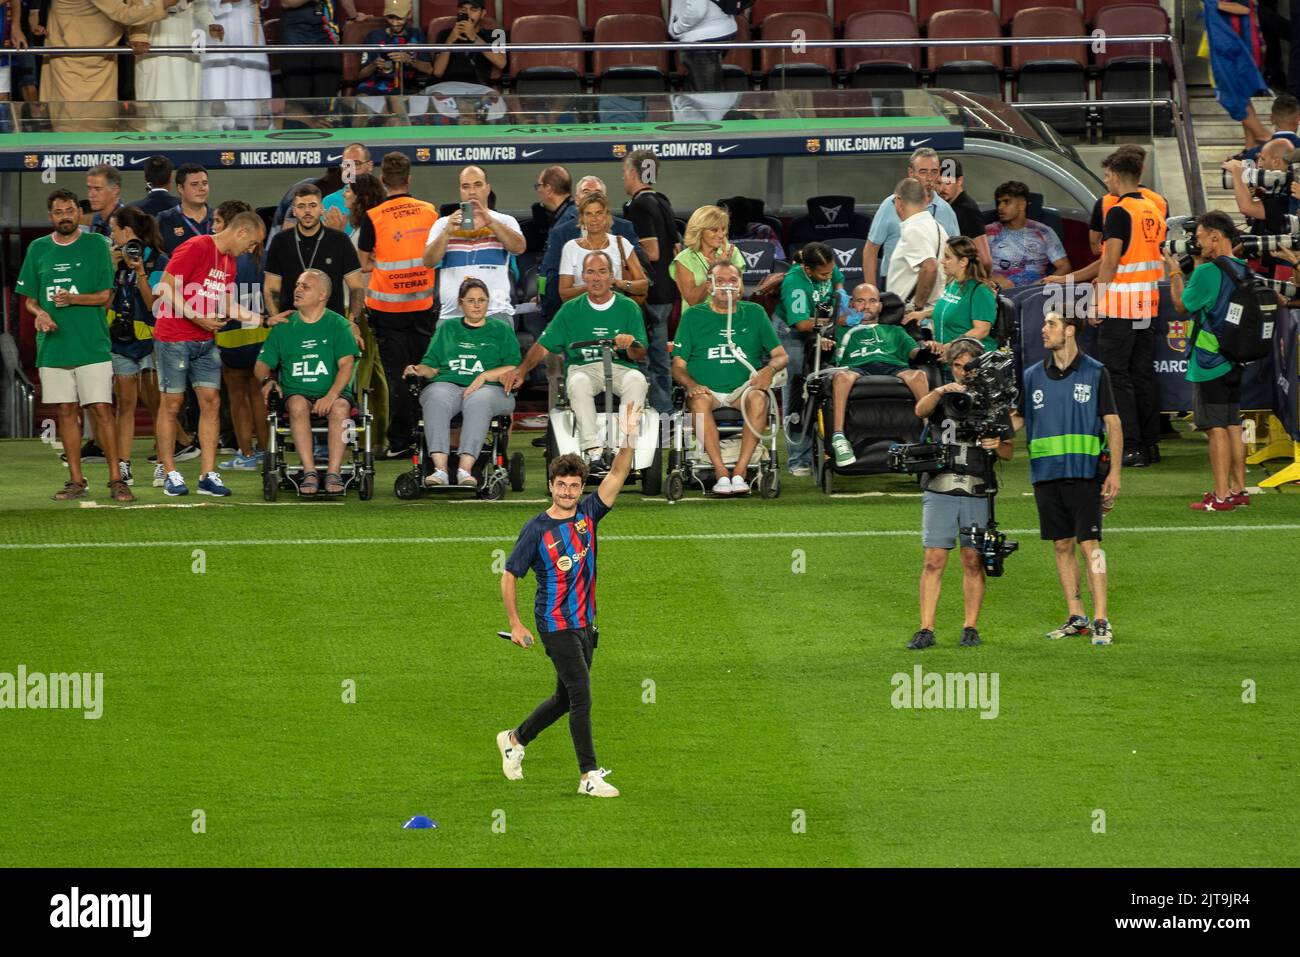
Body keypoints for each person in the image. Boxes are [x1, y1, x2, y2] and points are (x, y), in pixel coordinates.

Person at [497, 400, 644, 800]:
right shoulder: (536, 530)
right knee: (581, 695)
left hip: (585, 624)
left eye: (574, 486)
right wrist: (515, 623)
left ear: (581, 488)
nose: (567, 491)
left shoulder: (589, 515)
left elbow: (619, 472)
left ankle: (514, 739)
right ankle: (588, 775)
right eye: (561, 485)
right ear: (551, 486)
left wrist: (628, 435)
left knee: (564, 698)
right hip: (554, 624)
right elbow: (509, 574)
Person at [1013, 312, 1122, 645]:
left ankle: (1102, 618)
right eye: (1044, 323)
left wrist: (1115, 473)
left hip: (1085, 474)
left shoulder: (1095, 372)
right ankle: (1077, 616)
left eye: (1051, 324)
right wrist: (991, 435)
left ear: (1070, 331)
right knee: (1062, 545)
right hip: (1046, 475)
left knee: (1091, 546)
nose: (1043, 330)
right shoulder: (1032, 376)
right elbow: (1017, 420)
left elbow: (1113, 424)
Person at [17, 188, 132, 502]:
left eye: (70, 210)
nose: (65, 216)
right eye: (58, 212)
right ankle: (76, 479)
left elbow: (105, 296)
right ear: (51, 215)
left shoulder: (97, 245)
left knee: (101, 410)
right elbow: (29, 300)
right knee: (66, 411)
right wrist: (40, 314)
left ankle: (117, 479)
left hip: (92, 344)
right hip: (53, 346)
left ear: (78, 213)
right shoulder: (38, 249)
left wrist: (72, 299)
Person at [908, 338, 1015, 650]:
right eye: (957, 366)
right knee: (934, 559)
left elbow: (1008, 451)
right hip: (940, 486)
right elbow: (920, 410)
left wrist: (997, 445)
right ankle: (926, 627)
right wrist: (943, 390)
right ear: (950, 367)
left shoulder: (991, 400)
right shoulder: (943, 396)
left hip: (977, 486)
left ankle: (971, 626)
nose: (963, 373)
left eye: (969, 367)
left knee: (972, 559)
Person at [152, 209, 266, 496]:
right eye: (252, 243)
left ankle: (207, 474)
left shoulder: (229, 262)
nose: (251, 250)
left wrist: (264, 320)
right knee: (172, 404)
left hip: (205, 340)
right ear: (241, 232)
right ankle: (170, 473)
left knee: (212, 402)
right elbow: (163, 288)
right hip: (174, 338)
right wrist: (196, 317)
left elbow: (227, 304)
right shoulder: (197, 246)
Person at [507, 252, 649, 469]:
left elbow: (640, 353)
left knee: (637, 381)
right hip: (584, 367)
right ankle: (594, 452)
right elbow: (544, 345)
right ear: (583, 276)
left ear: (612, 276)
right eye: (590, 272)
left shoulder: (628, 307)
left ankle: (625, 447)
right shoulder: (571, 309)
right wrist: (521, 370)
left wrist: (630, 344)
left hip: (621, 367)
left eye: (602, 272)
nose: (596, 278)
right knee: (578, 383)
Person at [671, 260, 788, 495]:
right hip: (707, 391)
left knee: (758, 397)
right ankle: (721, 472)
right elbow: (677, 366)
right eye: (721, 281)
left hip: (742, 390)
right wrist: (692, 385)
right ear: (710, 286)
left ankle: (741, 471)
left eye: (733, 280)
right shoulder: (693, 316)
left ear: (741, 285)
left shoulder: (754, 313)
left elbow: (781, 356)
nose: (728, 286)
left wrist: (768, 370)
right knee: (699, 400)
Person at [1163, 211, 1252, 511]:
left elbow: (1180, 305)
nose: (1195, 243)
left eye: (1199, 237)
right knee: (1232, 425)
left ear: (1215, 236)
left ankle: (1221, 495)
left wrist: (1174, 272)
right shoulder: (1242, 268)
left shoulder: (1206, 273)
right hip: (1236, 358)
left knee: (1215, 429)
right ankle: (1239, 489)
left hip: (1209, 359)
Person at [358, 151, 440, 458]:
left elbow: (364, 263)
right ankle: (429, 437)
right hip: (423, 306)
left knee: (398, 378)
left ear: (382, 181)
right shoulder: (430, 212)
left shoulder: (374, 216)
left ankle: (401, 440)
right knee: (426, 372)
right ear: (409, 179)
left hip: (386, 309)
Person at [403, 277, 520, 487]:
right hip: (448, 384)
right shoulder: (447, 328)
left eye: (482, 300)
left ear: (488, 302)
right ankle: (440, 470)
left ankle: (465, 469)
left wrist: (484, 376)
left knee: (478, 401)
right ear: (461, 303)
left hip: (491, 389)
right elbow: (432, 367)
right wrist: (418, 369)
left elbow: (514, 367)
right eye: (471, 300)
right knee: (436, 397)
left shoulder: (501, 329)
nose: (477, 305)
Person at [1093, 148, 1167, 468]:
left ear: (1117, 175)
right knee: (1142, 374)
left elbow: (1110, 262)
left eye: (1107, 174)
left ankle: (1131, 446)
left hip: (1121, 305)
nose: (1106, 180)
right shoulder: (1153, 208)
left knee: (1117, 377)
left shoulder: (1119, 212)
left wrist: (1096, 303)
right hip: (1146, 303)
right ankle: (1149, 444)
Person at [255, 269, 360, 496]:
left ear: (322, 295)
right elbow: (262, 364)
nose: (297, 290)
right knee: (297, 404)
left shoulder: (338, 325)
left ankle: (333, 472)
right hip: (297, 393)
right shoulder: (283, 326)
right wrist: (268, 380)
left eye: (305, 286)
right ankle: (309, 471)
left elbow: (346, 365)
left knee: (341, 407)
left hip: (333, 393)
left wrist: (331, 396)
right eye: (297, 285)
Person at [826, 282, 931, 468]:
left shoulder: (895, 330)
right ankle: (839, 436)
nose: (866, 306)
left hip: (892, 366)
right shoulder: (842, 329)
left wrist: (927, 348)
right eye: (861, 301)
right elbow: (827, 338)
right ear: (851, 304)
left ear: (881, 306)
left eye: (873, 301)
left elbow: (914, 352)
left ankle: (928, 433)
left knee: (919, 376)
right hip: (855, 366)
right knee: (841, 377)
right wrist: (823, 341)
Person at [34, 0, 178, 131]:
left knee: (103, 124)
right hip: (69, 61)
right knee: (73, 126)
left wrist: (138, 36)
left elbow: (134, 4)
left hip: (103, 59)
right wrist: (164, 4)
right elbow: (123, 13)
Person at [106, 205, 169, 490]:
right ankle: (124, 465)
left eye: (114, 229)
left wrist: (140, 270)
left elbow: (154, 306)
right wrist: (109, 267)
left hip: (153, 344)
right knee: (125, 406)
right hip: (121, 343)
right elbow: (105, 301)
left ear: (127, 232)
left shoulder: (158, 261)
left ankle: (162, 464)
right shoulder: (113, 262)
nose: (111, 234)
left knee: (158, 407)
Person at [771, 242, 844, 476]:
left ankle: (825, 448)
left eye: (830, 271)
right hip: (792, 334)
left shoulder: (827, 265)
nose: (828, 277)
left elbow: (838, 280)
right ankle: (797, 458)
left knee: (824, 384)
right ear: (807, 270)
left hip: (821, 328)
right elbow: (802, 323)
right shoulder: (795, 283)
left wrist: (839, 294)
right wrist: (837, 320)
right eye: (823, 274)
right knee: (795, 391)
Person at [422, 164, 525, 328]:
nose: (472, 192)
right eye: (466, 186)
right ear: (460, 191)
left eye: (477, 185)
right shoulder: (443, 224)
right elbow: (428, 261)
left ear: (488, 188)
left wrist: (490, 222)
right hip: (452, 316)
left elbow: (519, 248)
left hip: (495, 312)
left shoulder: (505, 221)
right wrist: (447, 233)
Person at [210, 199, 271, 472]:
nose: (214, 227)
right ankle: (267, 453)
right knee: (259, 394)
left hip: (231, 336)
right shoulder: (261, 256)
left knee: (237, 396)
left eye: (218, 222)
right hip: (261, 333)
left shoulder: (224, 256)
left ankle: (246, 454)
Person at [623, 150, 679, 413]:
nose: (623, 178)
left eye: (624, 172)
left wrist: (623, 252)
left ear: (634, 173)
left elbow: (653, 252)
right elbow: (677, 249)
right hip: (668, 291)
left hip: (649, 295)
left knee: (646, 359)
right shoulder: (663, 201)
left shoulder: (639, 205)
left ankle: (656, 416)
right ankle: (664, 415)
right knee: (660, 360)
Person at [265, 184, 365, 326]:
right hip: (291, 324)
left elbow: (357, 287)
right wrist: (276, 319)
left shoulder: (340, 240)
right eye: (301, 206)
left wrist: (353, 321)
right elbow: (271, 288)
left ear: (321, 208)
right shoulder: (280, 242)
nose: (307, 211)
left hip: (332, 325)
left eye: (312, 205)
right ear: (293, 211)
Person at [863, 148, 960, 291]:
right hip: (894, 285)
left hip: (934, 286)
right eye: (923, 172)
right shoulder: (890, 205)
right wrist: (872, 293)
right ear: (911, 173)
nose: (929, 178)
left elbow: (956, 254)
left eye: (934, 172)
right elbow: (870, 250)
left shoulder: (946, 211)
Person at [133, 0, 220, 125]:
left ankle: (186, 130)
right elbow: (137, 10)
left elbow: (201, 8)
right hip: (156, 39)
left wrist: (210, 24)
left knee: (186, 105)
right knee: (155, 97)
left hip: (184, 41)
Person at [908, 236, 997, 356]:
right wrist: (924, 314)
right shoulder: (953, 283)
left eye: (948, 257)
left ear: (963, 262)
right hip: (947, 358)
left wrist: (952, 346)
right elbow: (954, 308)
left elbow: (981, 330)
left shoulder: (980, 291)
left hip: (968, 362)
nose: (942, 261)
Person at [1204, 0, 1272, 149]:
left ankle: (1263, 135)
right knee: (1240, 93)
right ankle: (1251, 145)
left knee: (1231, 93)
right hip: (1226, 40)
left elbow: (1244, 7)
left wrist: (1214, 4)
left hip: (1232, 43)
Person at [557, 193, 648, 303]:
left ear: (606, 216)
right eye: (589, 214)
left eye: (598, 213)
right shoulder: (570, 248)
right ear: (582, 218)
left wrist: (620, 283)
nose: (594, 218)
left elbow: (643, 285)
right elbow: (564, 293)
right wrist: (594, 286)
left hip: (616, 312)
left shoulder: (622, 244)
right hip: (582, 313)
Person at [984, 180, 1071, 289]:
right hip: (997, 291)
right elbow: (972, 266)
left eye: (1006, 202)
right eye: (999, 202)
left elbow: (1065, 267)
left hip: (1034, 292)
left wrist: (1043, 284)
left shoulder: (1044, 232)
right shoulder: (989, 232)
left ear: (1022, 205)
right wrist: (995, 279)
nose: (1000, 207)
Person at [201, 0, 271, 131]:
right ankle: (218, 129)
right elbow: (203, 4)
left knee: (253, 79)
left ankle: (253, 128)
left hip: (248, 23)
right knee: (220, 82)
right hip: (219, 23)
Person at [277, 0, 360, 105]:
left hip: (327, 35)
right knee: (298, 96)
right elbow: (286, 3)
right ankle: (303, 121)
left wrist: (354, 16)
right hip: (296, 37)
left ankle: (324, 118)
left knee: (327, 94)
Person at [886, 177, 948, 317]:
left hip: (913, 318)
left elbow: (930, 266)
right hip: (931, 312)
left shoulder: (914, 229)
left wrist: (916, 308)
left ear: (898, 201)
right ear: (925, 199)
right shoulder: (938, 228)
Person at [669, 204, 745, 308]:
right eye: (714, 230)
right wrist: (714, 270)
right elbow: (693, 301)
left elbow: (739, 293)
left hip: (727, 316)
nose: (721, 234)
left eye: (723, 229)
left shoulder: (731, 252)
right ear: (699, 231)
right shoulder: (684, 259)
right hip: (698, 318)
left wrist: (726, 267)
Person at [357, 0, 433, 104]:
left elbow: (429, 69)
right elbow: (361, 75)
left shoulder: (416, 35)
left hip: (407, 88)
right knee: (361, 101)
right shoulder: (374, 36)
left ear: (409, 15)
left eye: (399, 18)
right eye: (390, 17)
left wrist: (409, 60)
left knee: (399, 103)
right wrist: (375, 64)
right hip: (375, 86)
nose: (394, 23)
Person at [431, 0, 504, 86]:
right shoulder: (444, 34)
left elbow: (501, 63)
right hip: (448, 86)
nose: (468, 14)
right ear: (458, 12)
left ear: (483, 13)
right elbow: (437, 72)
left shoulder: (497, 33)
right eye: (463, 10)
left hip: (482, 88)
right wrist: (449, 41)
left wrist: (474, 37)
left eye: (473, 10)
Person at [668, 0, 734, 93]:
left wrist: (676, 28)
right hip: (716, 30)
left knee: (706, 97)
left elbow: (697, 10)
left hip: (702, 37)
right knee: (708, 92)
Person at [535, 164, 575, 320]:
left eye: (539, 186)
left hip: (565, 309)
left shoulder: (572, 221)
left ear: (549, 189)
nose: (538, 191)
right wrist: (542, 295)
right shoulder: (560, 218)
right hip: (554, 304)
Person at [935, 158, 990, 268]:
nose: (941, 189)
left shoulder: (967, 210)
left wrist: (971, 284)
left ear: (959, 181)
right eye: (938, 183)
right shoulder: (947, 207)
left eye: (948, 182)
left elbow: (985, 261)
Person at [156, 163, 211, 255]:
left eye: (205, 183)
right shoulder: (164, 220)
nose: (202, 188)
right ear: (180, 188)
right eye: (194, 184)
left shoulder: (219, 218)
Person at [322, 144, 372, 235]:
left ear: (369, 166)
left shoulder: (385, 195)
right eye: (347, 165)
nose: (351, 170)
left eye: (356, 164)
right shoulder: (329, 202)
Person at [718, 195, 784, 260]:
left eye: (741, 215)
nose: (737, 219)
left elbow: (779, 256)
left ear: (748, 216)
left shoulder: (763, 230)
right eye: (734, 217)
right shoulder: (720, 232)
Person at [86, 164, 124, 237]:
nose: (91, 195)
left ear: (115, 190)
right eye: (89, 188)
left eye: (97, 189)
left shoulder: (126, 220)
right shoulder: (96, 219)